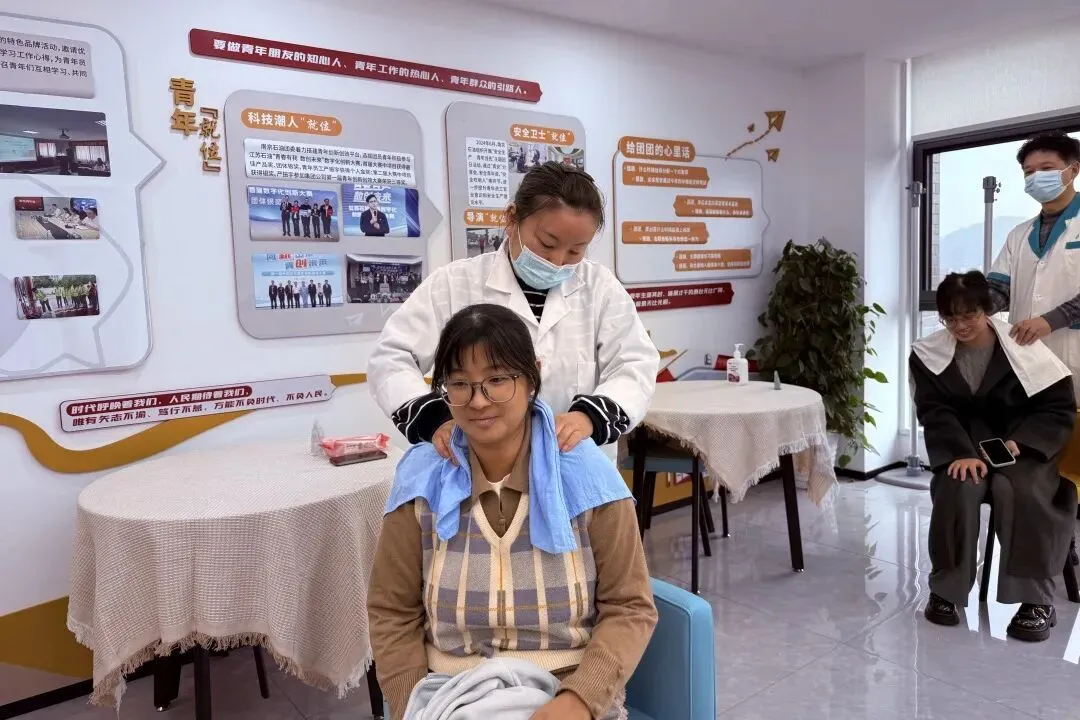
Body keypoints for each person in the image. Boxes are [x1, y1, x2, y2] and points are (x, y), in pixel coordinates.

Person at [368, 304, 656, 720]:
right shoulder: (421, 480)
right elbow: (391, 611)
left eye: (497, 380)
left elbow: (629, 606)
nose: (478, 401)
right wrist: (409, 703)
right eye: (460, 384)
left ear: (532, 378)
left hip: (565, 687)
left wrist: (579, 700)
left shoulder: (587, 476)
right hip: (448, 691)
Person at [368, 162, 660, 464]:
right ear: (512, 218)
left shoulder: (600, 287)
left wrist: (591, 417)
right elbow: (391, 357)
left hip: (574, 465)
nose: (558, 261)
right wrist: (432, 419)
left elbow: (635, 364)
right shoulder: (455, 284)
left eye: (576, 250)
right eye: (547, 244)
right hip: (474, 467)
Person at [911, 271, 1076, 642]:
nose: (960, 326)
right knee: (959, 485)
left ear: (987, 309)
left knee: (1020, 490)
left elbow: (1056, 408)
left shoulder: (1023, 348)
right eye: (950, 318)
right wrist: (959, 452)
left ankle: (1036, 601)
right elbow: (935, 411)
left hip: (1024, 448)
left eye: (969, 315)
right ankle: (946, 590)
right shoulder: (928, 355)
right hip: (964, 447)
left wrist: (1021, 441)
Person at [989, 132, 1080, 395]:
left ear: (1073, 170)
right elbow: (999, 289)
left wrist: (1050, 320)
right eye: (1029, 172)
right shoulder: (1019, 234)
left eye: (1046, 169)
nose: (1036, 177)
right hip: (1028, 363)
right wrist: (971, 306)